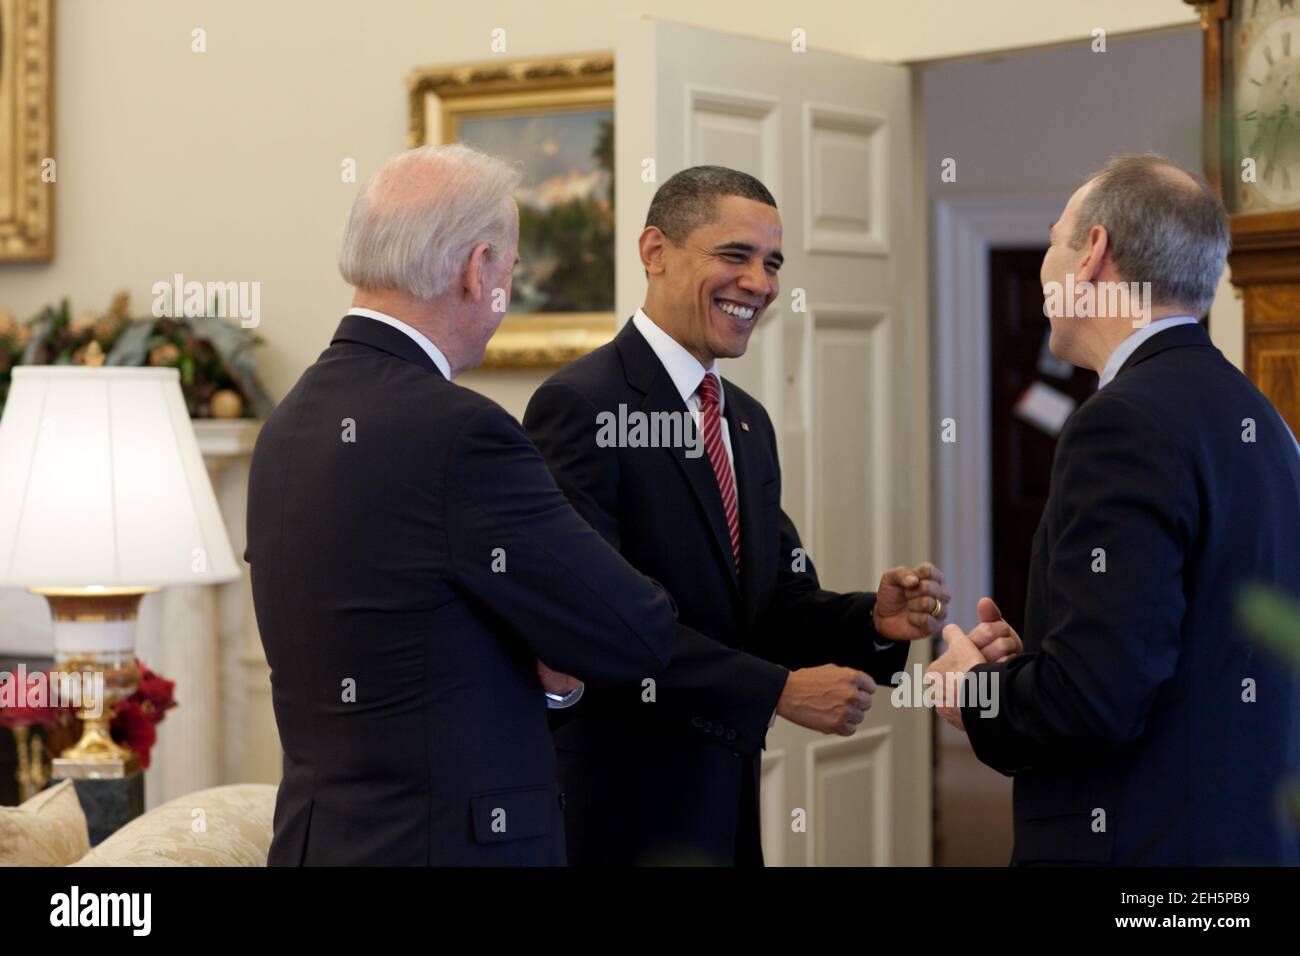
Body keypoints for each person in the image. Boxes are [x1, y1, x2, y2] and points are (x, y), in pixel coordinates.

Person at [523, 165, 987, 865]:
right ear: (655, 251)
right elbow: (600, 623)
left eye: (771, 264)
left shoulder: (745, 421)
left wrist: (874, 621)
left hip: (728, 794)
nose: (761, 284)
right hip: (623, 805)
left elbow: (772, 603)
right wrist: (777, 691)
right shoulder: (581, 405)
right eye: (735, 256)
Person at [246, 144, 677, 866]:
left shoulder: (288, 421)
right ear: (478, 270)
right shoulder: (461, 431)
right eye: (510, 272)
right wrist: (559, 654)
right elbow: (635, 632)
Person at [929, 154, 1300, 865]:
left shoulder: (1121, 423)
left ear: (1093, 252)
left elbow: (1094, 705)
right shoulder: (1257, 415)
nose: (1044, 271)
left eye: (1053, 240)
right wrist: (1034, 662)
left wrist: (973, 690)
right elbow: (1181, 650)